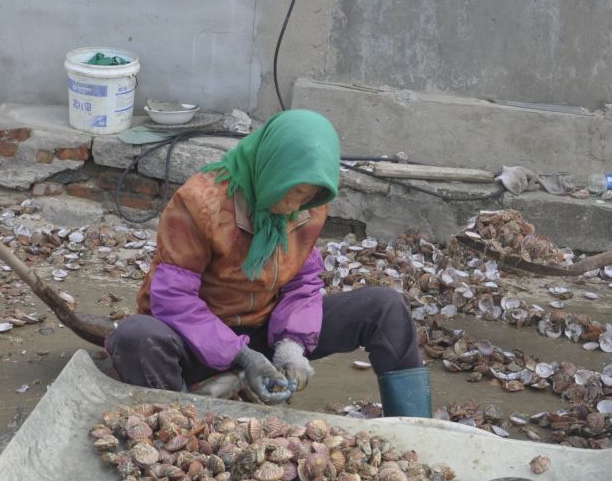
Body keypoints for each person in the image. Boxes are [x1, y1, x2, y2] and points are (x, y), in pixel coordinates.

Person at [105, 110, 431, 415]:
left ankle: (417, 426)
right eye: (291, 191)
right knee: (134, 338)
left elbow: (303, 283)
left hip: (265, 331)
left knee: (385, 307)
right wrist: (241, 356)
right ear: (272, 168)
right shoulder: (200, 205)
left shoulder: (307, 208)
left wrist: (291, 347)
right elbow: (173, 299)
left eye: (306, 195)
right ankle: (183, 421)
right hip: (196, 339)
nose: (292, 205)